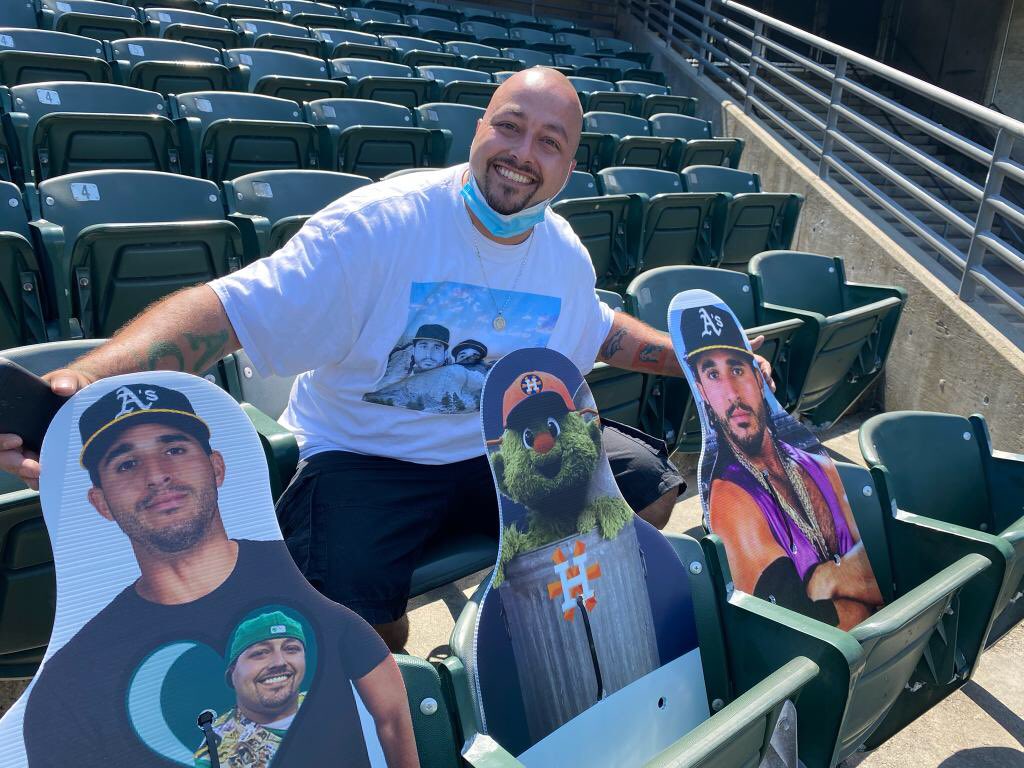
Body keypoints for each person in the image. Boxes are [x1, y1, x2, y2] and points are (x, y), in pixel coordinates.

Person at [0, 67, 773, 651]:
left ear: (570, 165)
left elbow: (603, 332)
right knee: (362, 630)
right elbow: (224, 312)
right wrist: (85, 383)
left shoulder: (561, 252)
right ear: (479, 129)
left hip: (495, 449)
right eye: (509, 128)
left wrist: (712, 359)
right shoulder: (382, 226)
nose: (522, 154)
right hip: (364, 457)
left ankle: (525, 645)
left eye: (550, 142)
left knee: (645, 486)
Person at [23, 383, 418, 768]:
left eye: (174, 449)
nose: (157, 474)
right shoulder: (69, 684)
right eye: (126, 463)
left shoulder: (311, 581)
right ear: (101, 502)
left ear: (216, 467)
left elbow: (391, 711)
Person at [680, 304, 883, 630]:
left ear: (758, 377)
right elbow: (807, 627)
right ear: (702, 391)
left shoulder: (817, 465)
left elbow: (877, 580)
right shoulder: (730, 502)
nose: (731, 394)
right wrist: (844, 577)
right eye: (713, 374)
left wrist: (831, 578)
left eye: (737, 369)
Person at [194, 611, 309, 768]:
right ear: (233, 673)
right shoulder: (214, 754)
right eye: (260, 653)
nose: (279, 662)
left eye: (291, 649)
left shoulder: (329, 704)